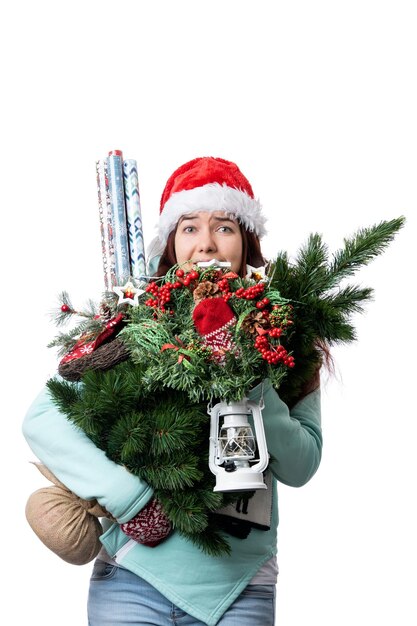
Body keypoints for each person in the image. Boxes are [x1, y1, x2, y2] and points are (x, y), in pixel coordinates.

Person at [23, 156, 323, 626]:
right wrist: (130, 499)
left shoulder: (283, 336)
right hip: (131, 581)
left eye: (224, 227)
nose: (206, 243)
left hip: (240, 589)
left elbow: (302, 465)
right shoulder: (133, 325)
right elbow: (43, 419)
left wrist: (251, 377)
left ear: (247, 242)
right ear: (170, 244)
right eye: (189, 228)